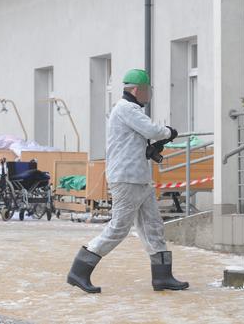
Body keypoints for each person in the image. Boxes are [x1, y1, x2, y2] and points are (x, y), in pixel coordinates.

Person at [66, 69, 188, 293]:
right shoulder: (126, 109)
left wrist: (149, 147)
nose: (149, 94)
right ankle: (79, 271)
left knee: (153, 226)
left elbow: (138, 139)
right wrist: (169, 131)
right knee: (119, 228)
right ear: (136, 90)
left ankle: (163, 277)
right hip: (126, 179)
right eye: (147, 90)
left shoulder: (130, 111)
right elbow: (151, 129)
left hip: (139, 178)